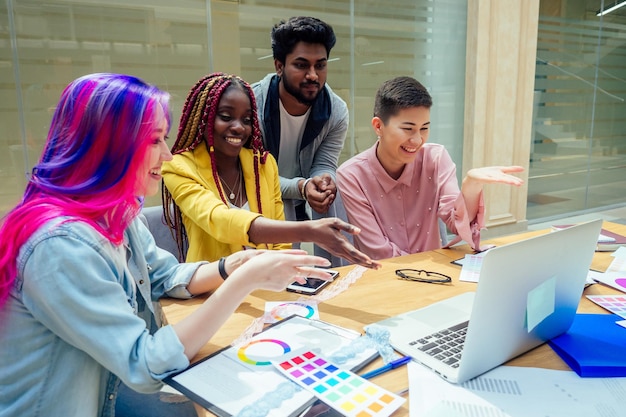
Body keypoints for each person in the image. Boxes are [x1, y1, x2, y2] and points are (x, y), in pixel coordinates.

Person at [0, 73, 335, 417]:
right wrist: (243, 281)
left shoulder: (119, 213)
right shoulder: (61, 245)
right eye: (154, 141)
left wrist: (231, 266)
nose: (168, 155)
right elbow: (144, 364)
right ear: (109, 144)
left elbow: (165, 274)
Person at [161, 72, 379, 269]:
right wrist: (308, 231)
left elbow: (280, 247)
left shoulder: (264, 166)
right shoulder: (178, 167)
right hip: (212, 290)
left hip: (269, 287)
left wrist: (286, 283)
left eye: (246, 120)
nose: (238, 127)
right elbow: (219, 220)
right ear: (203, 119)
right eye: (226, 117)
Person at [337, 76, 525, 260]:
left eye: (424, 128)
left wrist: (471, 186)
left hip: (436, 278)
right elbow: (378, 252)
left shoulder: (435, 158)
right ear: (378, 126)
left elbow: (456, 224)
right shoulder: (351, 176)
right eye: (408, 128)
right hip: (387, 281)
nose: (417, 140)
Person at [252, 16, 350, 266]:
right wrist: (302, 187)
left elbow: (325, 163)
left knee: (335, 190)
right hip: (253, 201)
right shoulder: (251, 106)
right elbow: (255, 176)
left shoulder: (335, 111)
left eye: (321, 65)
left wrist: (323, 180)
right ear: (279, 66)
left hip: (299, 195)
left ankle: (335, 276)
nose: (313, 75)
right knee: (282, 206)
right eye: (301, 65)